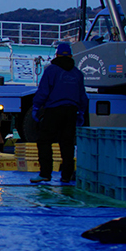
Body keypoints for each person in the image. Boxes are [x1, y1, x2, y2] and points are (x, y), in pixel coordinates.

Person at [31, 42, 88, 183]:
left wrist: (36, 107)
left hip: (54, 110)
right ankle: (66, 176)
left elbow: (43, 91)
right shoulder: (78, 74)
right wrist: (81, 113)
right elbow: (83, 96)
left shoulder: (51, 71)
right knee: (67, 143)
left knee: (44, 141)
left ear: (56, 54)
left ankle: (45, 173)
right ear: (71, 55)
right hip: (71, 112)